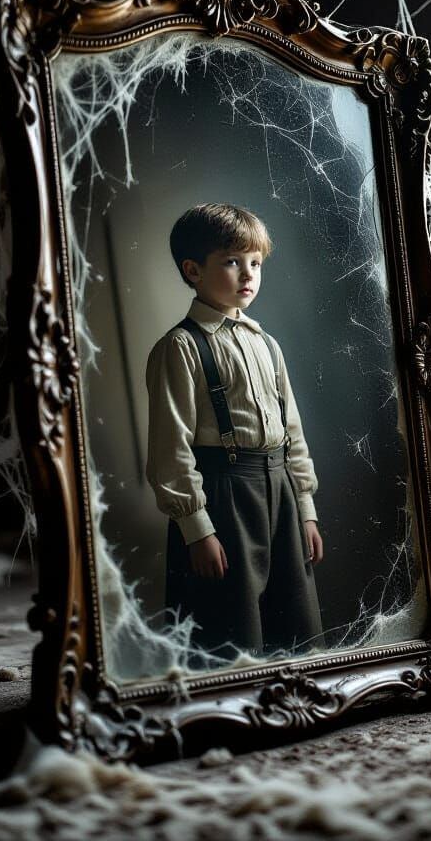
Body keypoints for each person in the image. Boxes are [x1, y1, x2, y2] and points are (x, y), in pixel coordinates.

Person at [145, 202, 324, 659]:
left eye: (255, 263)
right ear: (193, 270)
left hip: (280, 488)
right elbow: (172, 448)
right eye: (231, 261)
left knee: (294, 616)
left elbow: (292, 432)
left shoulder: (267, 344)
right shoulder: (180, 348)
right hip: (224, 493)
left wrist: (305, 506)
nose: (248, 275)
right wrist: (197, 530)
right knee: (230, 621)